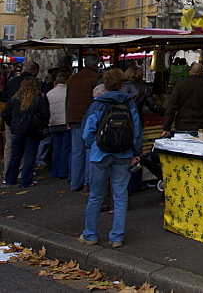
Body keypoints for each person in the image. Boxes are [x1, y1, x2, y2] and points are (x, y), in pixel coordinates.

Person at [78, 68, 142, 248]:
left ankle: (90, 234)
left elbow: (88, 131)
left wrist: (93, 145)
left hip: (100, 153)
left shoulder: (98, 104)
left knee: (96, 196)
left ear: (105, 84)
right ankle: (117, 236)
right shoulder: (129, 103)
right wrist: (135, 152)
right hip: (123, 153)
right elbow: (136, 131)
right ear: (122, 84)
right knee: (120, 196)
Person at [1, 76, 50, 187]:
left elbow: (5, 113)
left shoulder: (15, 98)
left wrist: (13, 124)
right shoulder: (38, 98)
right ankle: (26, 180)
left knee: (15, 155)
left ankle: (10, 179)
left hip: (17, 130)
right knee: (30, 155)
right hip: (32, 130)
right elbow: (45, 114)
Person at [66, 55, 101, 191]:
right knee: (89, 151)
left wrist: (68, 118)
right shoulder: (96, 78)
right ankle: (87, 182)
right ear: (96, 64)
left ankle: (75, 183)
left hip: (74, 117)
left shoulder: (73, 79)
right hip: (90, 116)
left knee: (77, 151)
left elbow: (68, 99)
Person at [161, 63, 203, 136]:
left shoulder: (180, 86)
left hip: (182, 126)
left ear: (190, 72)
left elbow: (171, 108)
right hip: (201, 127)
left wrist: (166, 128)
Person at [47, 71, 71, 180]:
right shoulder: (69, 92)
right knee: (65, 148)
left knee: (56, 148)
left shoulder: (50, 93)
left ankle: (54, 171)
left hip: (53, 122)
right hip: (65, 122)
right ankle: (62, 171)